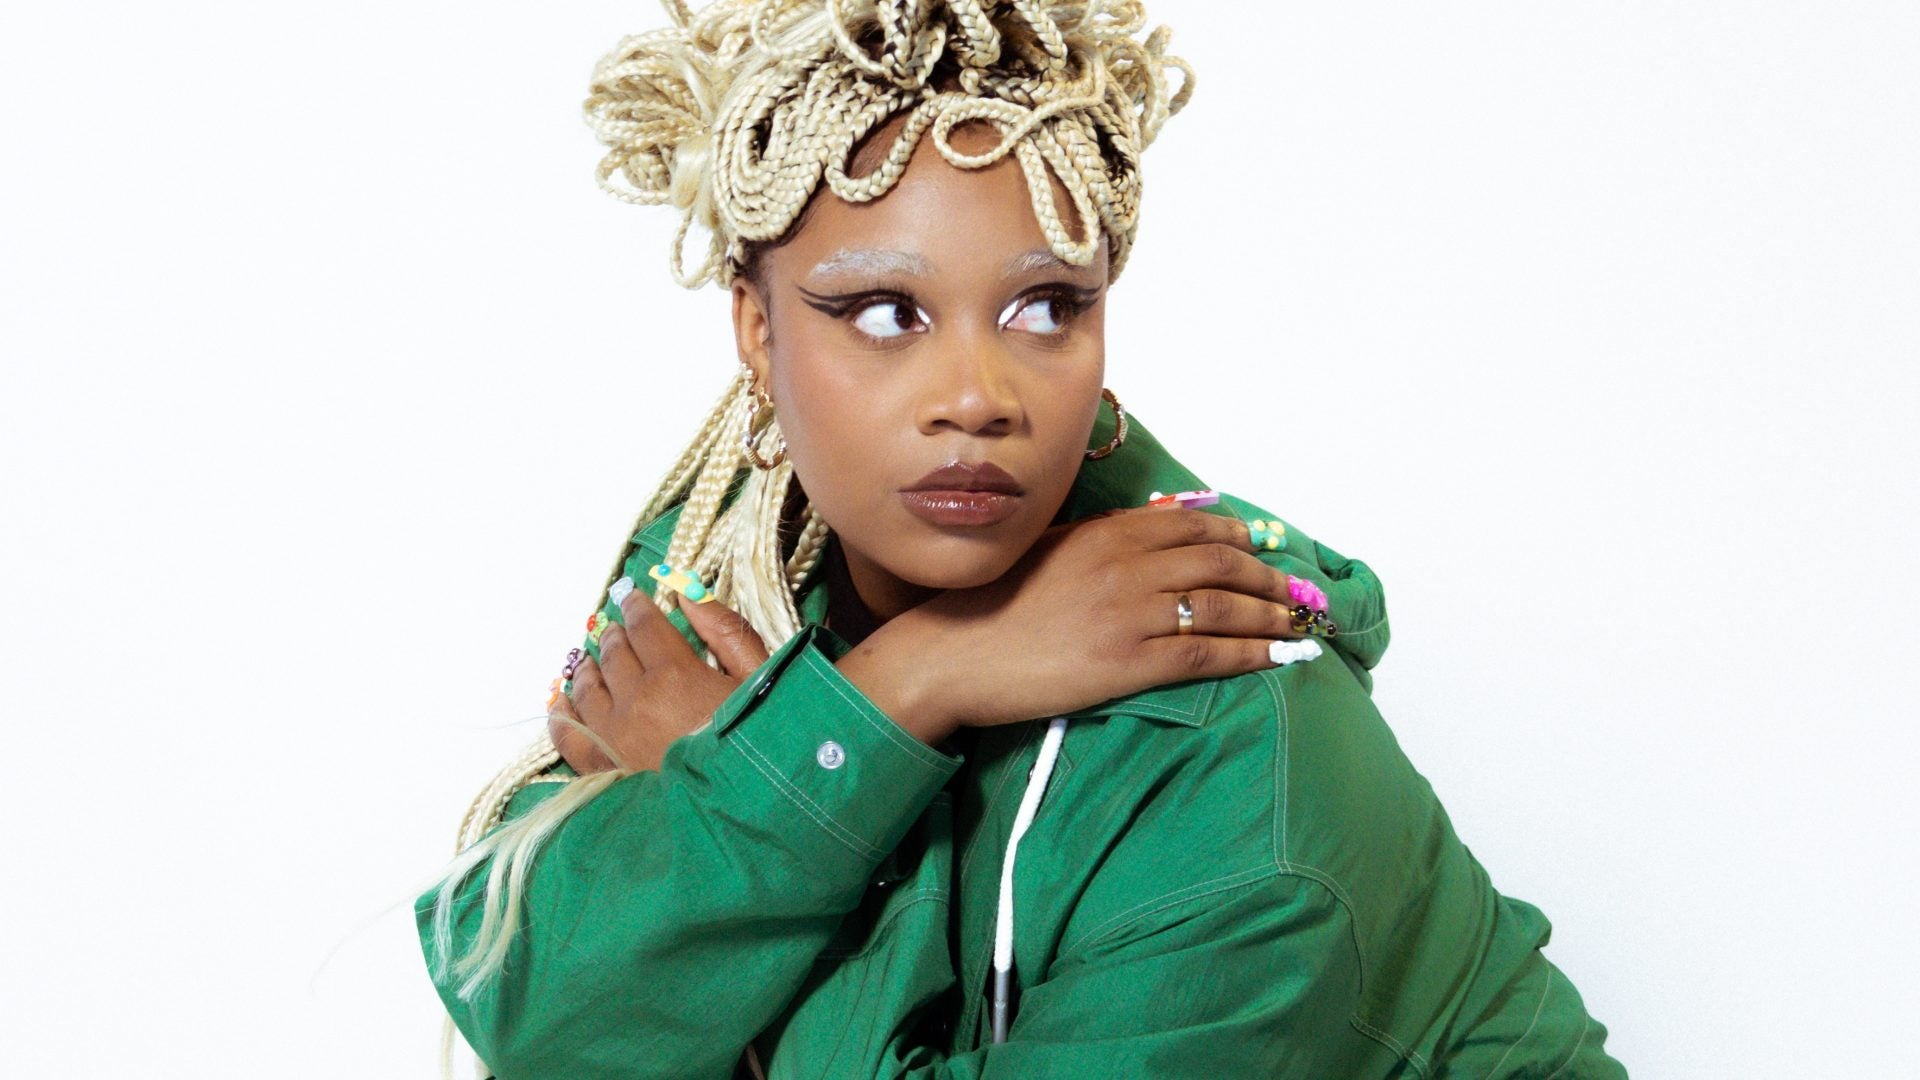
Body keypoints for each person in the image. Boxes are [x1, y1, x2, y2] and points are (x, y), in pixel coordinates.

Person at [417, 1, 1628, 1076]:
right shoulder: (738, 566)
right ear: (757, 329)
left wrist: (749, 782)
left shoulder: (1245, 758)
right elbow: (534, 1011)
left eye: (1046, 307)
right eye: (883, 312)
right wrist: (916, 678)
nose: (978, 395)